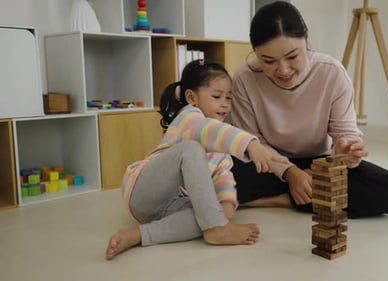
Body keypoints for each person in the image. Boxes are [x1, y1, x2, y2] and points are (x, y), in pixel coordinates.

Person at [230, 1, 388, 218]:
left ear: (306, 37)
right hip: (270, 164)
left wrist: (346, 150)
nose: (283, 70)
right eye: (268, 61)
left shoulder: (332, 73)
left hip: (319, 163)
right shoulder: (244, 78)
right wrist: (291, 173)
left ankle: (283, 200)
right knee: (216, 175)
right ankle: (303, 196)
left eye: (293, 56)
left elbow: (345, 133)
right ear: (255, 52)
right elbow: (250, 142)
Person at [105, 59, 285, 260]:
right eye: (217, 96)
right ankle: (215, 227)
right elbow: (211, 131)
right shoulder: (189, 117)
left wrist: (225, 207)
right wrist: (251, 144)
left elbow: (223, 178)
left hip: (169, 208)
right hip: (142, 190)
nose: (225, 104)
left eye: (228, 98)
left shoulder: (221, 150)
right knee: (191, 150)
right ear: (191, 97)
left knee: (209, 212)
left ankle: (139, 235)